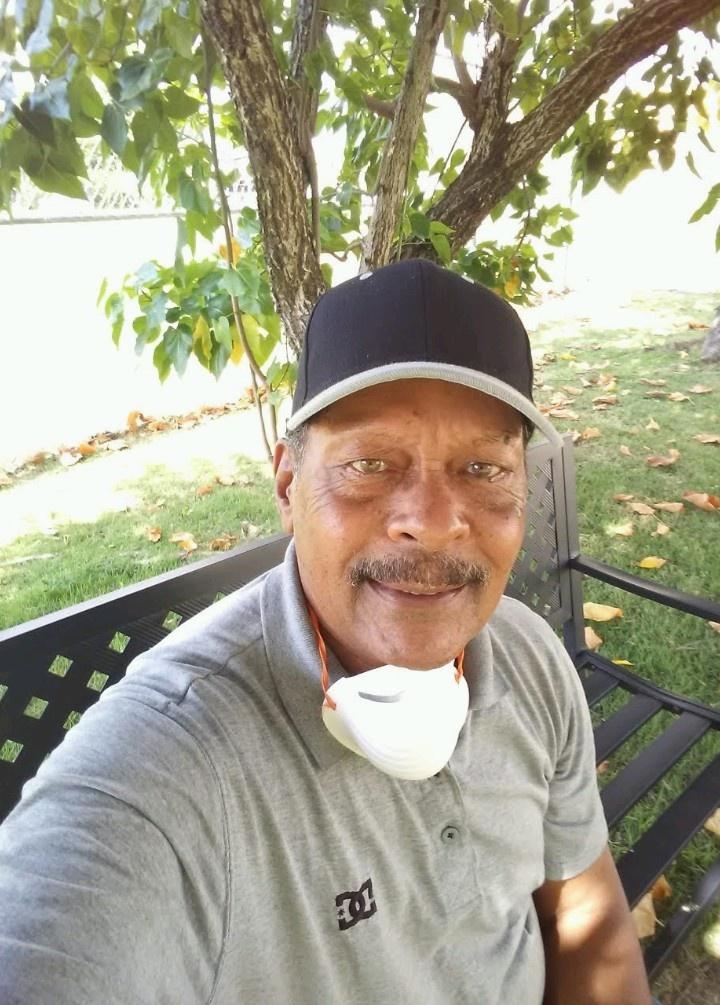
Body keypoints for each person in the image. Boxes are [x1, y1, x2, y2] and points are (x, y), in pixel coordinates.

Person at [0, 260, 652, 1004]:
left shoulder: (529, 654)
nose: (432, 521)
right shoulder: (167, 767)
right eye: (370, 462)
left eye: (482, 467)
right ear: (287, 486)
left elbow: (587, 913)